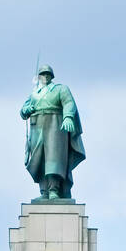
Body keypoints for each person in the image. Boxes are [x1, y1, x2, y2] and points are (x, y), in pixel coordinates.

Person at [20, 64, 85, 200]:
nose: (45, 76)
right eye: (42, 74)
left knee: (53, 158)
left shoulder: (60, 89)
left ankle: (54, 189)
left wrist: (67, 117)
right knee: (39, 159)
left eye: (47, 74)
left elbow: (68, 103)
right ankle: (44, 191)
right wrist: (25, 110)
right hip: (37, 126)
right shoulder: (35, 93)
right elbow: (23, 109)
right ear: (38, 77)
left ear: (51, 76)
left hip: (55, 125)